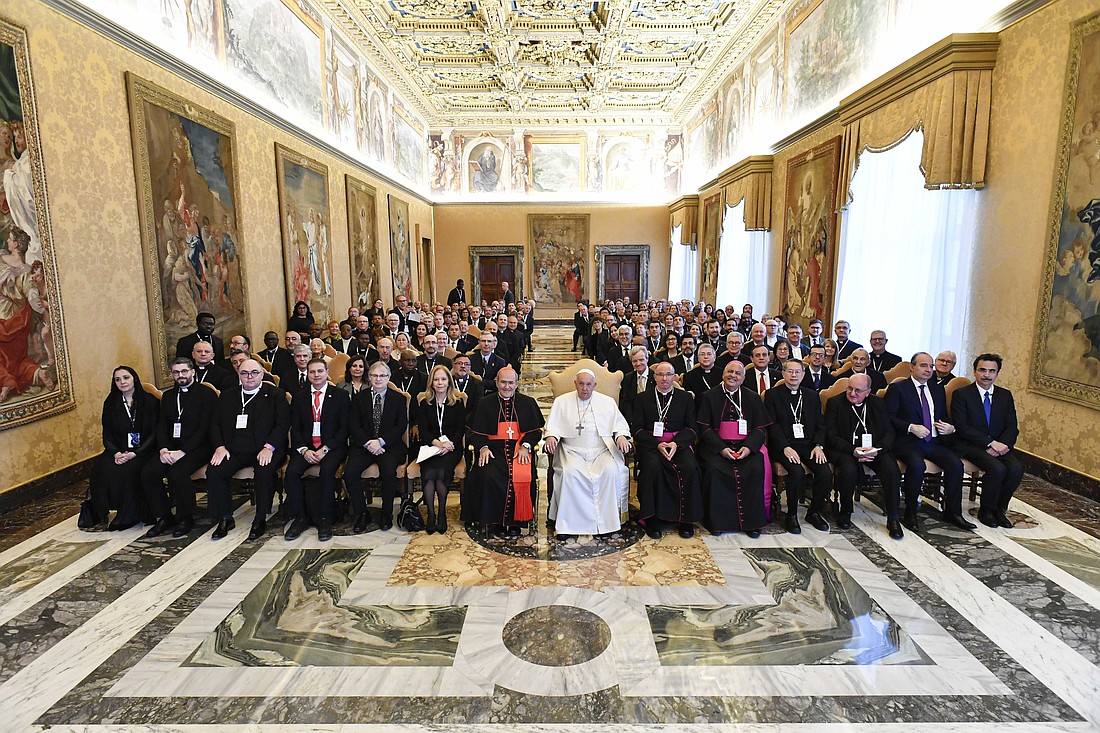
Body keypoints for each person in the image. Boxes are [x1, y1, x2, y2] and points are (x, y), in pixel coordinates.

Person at [884, 352, 976, 532]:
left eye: (931, 366)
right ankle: (910, 512)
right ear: (912, 367)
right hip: (908, 441)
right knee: (917, 466)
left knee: (955, 465)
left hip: (934, 441)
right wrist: (910, 427)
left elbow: (941, 415)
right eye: (923, 365)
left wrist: (949, 427)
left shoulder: (937, 389)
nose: (928, 370)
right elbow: (888, 416)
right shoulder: (899, 388)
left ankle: (953, 512)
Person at [206, 359, 290, 541]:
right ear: (238, 375)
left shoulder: (275, 394)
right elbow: (215, 424)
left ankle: (260, 517)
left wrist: (269, 447)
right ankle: (225, 517)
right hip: (233, 449)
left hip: (265, 448)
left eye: (254, 373)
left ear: (262, 374)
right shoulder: (228, 396)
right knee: (215, 471)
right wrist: (220, 447)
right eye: (244, 373)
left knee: (264, 471)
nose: (249, 377)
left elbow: (282, 425)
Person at [543, 369, 631, 538]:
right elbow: (552, 426)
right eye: (581, 384)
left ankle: (607, 524)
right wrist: (551, 437)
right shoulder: (562, 402)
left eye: (588, 384)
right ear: (575, 384)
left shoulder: (607, 402)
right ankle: (568, 526)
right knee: (570, 474)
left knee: (611, 471)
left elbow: (620, 425)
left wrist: (620, 436)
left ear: (594, 385)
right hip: (572, 451)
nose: (584, 388)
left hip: (602, 451)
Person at [142, 357, 217, 539]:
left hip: (199, 447)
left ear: (192, 372)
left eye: (184, 371)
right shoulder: (168, 396)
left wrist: (182, 452)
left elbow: (205, 428)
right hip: (171, 448)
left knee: (177, 472)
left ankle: (185, 517)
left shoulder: (206, 394)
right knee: (149, 472)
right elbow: (161, 426)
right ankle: (165, 516)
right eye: (176, 372)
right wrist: (163, 449)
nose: (180, 375)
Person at [466, 367, 544, 537]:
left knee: (522, 475)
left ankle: (516, 523)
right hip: (494, 452)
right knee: (488, 475)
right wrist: (483, 447)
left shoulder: (528, 403)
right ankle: (495, 522)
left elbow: (536, 431)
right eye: (503, 382)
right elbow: (475, 433)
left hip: (519, 452)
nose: (507, 386)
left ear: (517, 384)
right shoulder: (485, 403)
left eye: (510, 383)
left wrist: (526, 446)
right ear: (496, 382)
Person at [696, 361, 771, 537]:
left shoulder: (752, 397)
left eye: (738, 373)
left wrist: (748, 448)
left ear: (743, 378)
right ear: (723, 374)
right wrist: (721, 449)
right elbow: (704, 428)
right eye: (730, 371)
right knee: (715, 468)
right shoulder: (709, 396)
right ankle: (718, 522)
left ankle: (752, 523)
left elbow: (760, 428)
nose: (733, 376)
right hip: (716, 446)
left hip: (745, 446)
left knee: (754, 467)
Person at [824, 373, 904, 537]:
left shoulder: (878, 403)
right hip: (845, 449)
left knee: (891, 469)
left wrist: (877, 449)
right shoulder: (835, 403)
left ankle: (893, 517)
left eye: (858, 391)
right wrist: (853, 450)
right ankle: (845, 511)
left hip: (873, 449)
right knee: (848, 469)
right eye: (850, 389)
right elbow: (831, 435)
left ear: (868, 392)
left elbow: (889, 432)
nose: (852, 394)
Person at [629, 362, 703, 539]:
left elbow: (692, 428)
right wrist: (657, 445)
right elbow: (637, 429)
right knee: (652, 468)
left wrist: (676, 443)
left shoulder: (685, 398)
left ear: (674, 377)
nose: (664, 378)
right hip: (651, 446)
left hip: (679, 445)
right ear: (654, 377)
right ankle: (652, 518)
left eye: (668, 374)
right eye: (660, 374)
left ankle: (686, 520)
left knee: (689, 467)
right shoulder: (642, 398)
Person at [950, 353, 1024, 528]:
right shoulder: (962, 394)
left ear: (997, 373)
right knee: (997, 469)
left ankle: (999, 509)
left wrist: (1004, 445)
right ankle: (986, 510)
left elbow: (1012, 425)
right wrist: (989, 443)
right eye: (982, 370)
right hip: (970, 444)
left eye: (992, 371)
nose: (987, 375)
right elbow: (962, 426)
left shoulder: (1004, 395)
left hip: (1000, 445)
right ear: (975, 371)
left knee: (1016, 469)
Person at [283, 358, 350, 542]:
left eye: (320, 371)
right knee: (291, 473)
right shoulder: (299, 396)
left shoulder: (340, 395)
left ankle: (325, 518)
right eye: (312, 372)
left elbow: (344, 429)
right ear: (308, 374)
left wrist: (326, 449)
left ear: (327, 372)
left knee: (327, 471)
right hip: (307, 447)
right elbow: (294, 428)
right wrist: (304, 450)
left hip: (332, 446)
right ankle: (300, 517)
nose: (316, 375)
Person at [86, 366, 158, 530]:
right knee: (101, 468)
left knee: (129, 470)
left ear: (134, 379)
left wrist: (135, 453)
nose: (122, 382)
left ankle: (129, 514)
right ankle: (104, 511)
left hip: (144, 449)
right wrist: (116, 453)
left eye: (126, 377)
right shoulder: (111, 403)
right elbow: (107, 434)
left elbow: (155, 433)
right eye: (117, 379)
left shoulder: (149, 401)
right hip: (119, 449)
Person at [764, 360, 831, 533]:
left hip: (808, 445)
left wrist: (818, 445)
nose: (794, 375)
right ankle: (791, 515)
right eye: (790, 372)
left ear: (803, 374)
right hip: (784, 446)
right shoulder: (772, 395)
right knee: (796, 472)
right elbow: (772, 425)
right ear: (784, 373)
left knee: (825, 473)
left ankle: (814, 512)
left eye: (797, 372)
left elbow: (820, 424)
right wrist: (785, 447)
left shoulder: (811, 396)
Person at [345, 361, 408, 532]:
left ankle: (386, 513)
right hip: (363, 445)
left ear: (388, 377)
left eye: (382, 375)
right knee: (350, 473)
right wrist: (368, 443)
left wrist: (380, 442)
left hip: (389, 446)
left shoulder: (399, 399)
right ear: (369, 377)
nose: (378, 379)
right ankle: (361, 513)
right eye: (374, 375)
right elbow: (353, 424)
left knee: (388, 472)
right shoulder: (359, 398)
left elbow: (400, 426)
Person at [415, 365, 468, 534]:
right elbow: (423, 430)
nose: (440, 383)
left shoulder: (457, 403)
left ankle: (442, 513)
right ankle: (431, 514)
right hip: (430, 446)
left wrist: (449, 444)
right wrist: (438, 443)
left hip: (452, 447)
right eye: (436, 379)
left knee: (441, 472)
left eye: (443, 379)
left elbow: (461, 429)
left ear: (449, 382)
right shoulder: (425, 403)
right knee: (429, 472)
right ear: (431, 382)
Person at [618, 346, 653, 424]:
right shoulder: (628, 378)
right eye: (634, 361)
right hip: (633, 418)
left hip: (652, 418)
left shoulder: (655, 377)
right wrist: (631, 420)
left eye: (641, 360)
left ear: (647, 359)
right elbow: (626, 402)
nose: (638, 364)